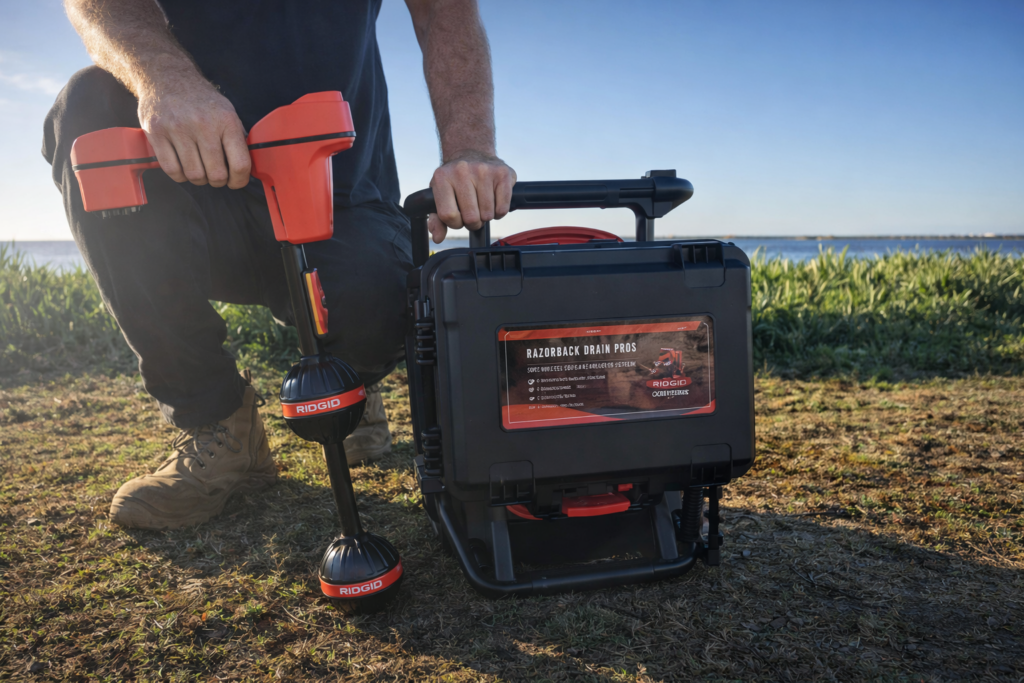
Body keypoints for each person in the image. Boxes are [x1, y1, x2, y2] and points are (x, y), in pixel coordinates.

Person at [42, 0, 515, 530]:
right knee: (84, 106)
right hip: (196, 181)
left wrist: (470, 148)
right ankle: (216, 420)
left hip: (344, 195)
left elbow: (443, 11)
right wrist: (166, 80)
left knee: (372, 300)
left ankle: (351, 380)